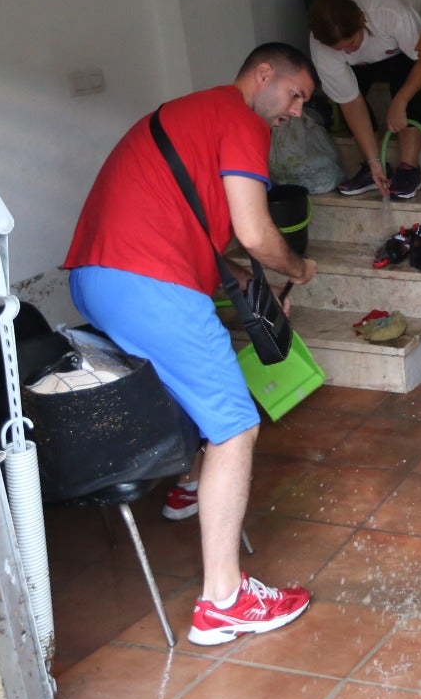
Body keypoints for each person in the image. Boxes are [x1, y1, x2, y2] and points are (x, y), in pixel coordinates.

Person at [64, 43, 319, 645]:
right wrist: (299, 268)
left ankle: (186, 489)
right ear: (263, 77)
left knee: (196, 376)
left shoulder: (190, 112)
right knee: (235, 422)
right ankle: (223, 601)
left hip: (97, 276)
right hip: (147, 280)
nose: (297, 112)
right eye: (295, 95)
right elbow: (256, 233)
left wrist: (243, 289)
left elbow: (205, 234)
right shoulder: (239, 118)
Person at [306, 0, 421, 199]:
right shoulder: (322, 49)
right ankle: (373, 170)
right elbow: (350, 102)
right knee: (349, 90)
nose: (348, 51)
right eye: (340, 49)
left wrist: (400, 101)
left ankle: (409, 169)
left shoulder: (389, 12)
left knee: (403, 76)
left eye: (351, 42)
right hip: (379, 40)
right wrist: (373, 162)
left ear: (362, 20)